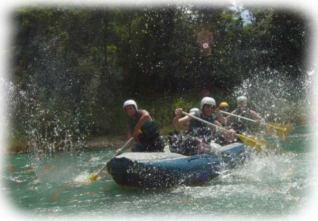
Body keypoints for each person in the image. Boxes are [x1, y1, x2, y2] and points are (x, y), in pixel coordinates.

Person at [170, 97, 235, 155]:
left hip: (204, 146)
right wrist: (177, 116)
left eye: (212, 107)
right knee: (194, 141)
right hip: (191, 144)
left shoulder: (212, 119)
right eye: (207, 107)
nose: (209, 109)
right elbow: (176, 124)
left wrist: (230, 132)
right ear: (202, 107)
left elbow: (223, 129)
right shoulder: (194, 114)